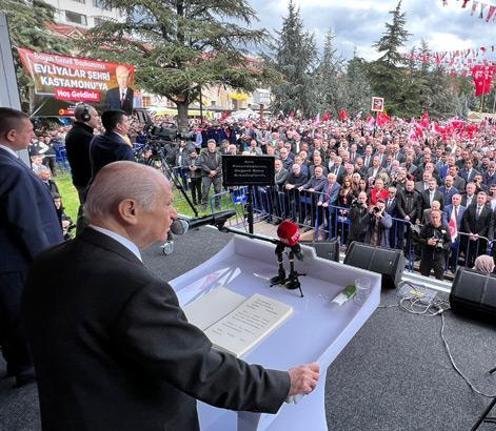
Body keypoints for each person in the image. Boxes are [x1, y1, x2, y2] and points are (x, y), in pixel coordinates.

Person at [22, 161, 320, 429]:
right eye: (167, 204)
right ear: (129, 210)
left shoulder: (50, 259)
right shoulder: (134, 287)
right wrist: (285, 383)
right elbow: (202, 370)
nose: (174, 213)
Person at [0, 107, 63, 387]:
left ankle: (18, 362)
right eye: (29, 131)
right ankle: (26, 368)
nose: (33, 135)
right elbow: (25, 222)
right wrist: (46, 261)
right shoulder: (9, 169)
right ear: (11, 134)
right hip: (16, 261)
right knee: (22, 314)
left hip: (9, 259)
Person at [65, 104, 99, 231]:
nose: (98, 118)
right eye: (95, 115)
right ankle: (84, 240)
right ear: (86, 116)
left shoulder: (79, 133)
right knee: (88, 213)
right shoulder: (83, 136)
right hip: (87, 182)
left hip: (83, 181)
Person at [89, 109, 135, 181]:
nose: (129, 124)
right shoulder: (122, 147)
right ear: (119, 126)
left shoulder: (96, 139)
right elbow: (131, 174)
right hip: (117, 189)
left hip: (97, 186)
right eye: (126, 121)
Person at [418, 209, 451, 280]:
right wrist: (427, 241)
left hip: (439, 258)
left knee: (439, 279)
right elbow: (419, 239)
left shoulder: (445, 227)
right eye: (433, 217)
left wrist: (442, 246)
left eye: (437, 217)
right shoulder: (426, 226)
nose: (435, 219)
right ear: (430, 217)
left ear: (440, 217)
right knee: (423, 278)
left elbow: (449, 242)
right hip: (426, 257)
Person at [197, 139, 223, 209]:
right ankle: (204, 205)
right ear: (207, 145)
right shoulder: (203, 153)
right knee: (205, 190)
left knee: (218, 190)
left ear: (215, 145)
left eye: (213, 144)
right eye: (210, 144)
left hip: (217, 175)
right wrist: (209, 171)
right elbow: (202, 163)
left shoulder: (219, 153)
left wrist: (215, 171)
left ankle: (218, 205)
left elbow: (221, 164)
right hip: (206, 175)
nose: (211, 145)